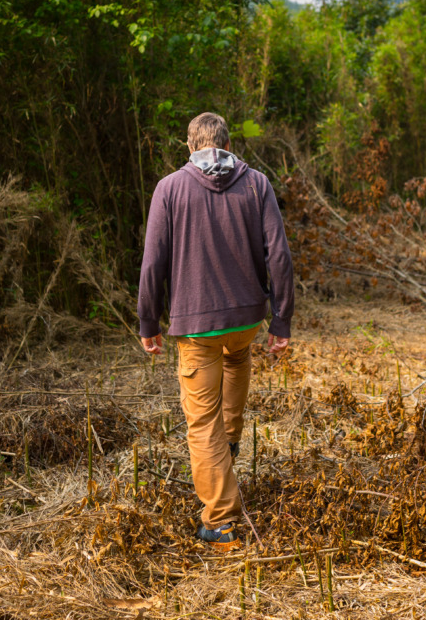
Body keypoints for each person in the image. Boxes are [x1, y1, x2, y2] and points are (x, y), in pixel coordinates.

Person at [138, 112, 294, 548]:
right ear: (226, 145)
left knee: (200, 420)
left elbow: (153, 263)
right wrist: (280, 321)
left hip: (197, 326)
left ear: (190, 147)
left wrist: (147, 321)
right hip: (246, 320)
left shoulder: (169, 188)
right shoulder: (257, 184)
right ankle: (231, 440)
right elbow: (279, 256)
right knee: (237, 355)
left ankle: (220, 522)